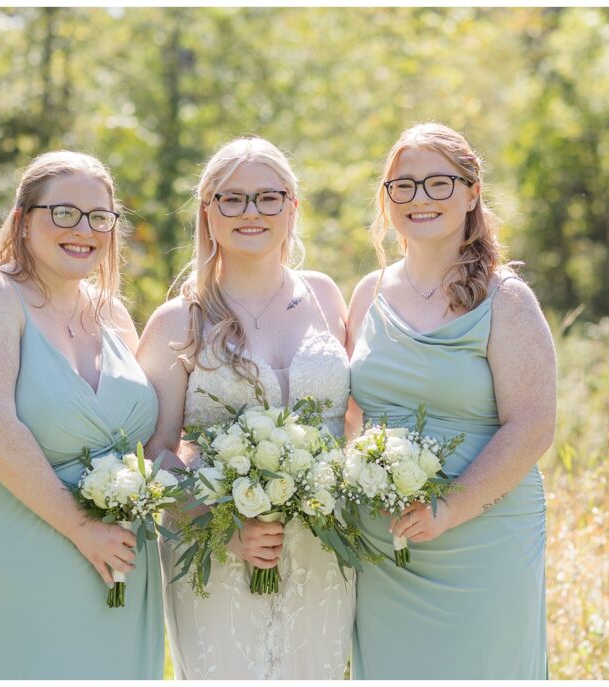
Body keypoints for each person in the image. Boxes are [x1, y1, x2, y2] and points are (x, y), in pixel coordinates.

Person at [0, 151, 161, 679]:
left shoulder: (110, 310)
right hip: (18, 548)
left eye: (99, 217)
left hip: (120, 558)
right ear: (22, 220)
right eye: (64, 213)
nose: (84, 229)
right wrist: (82, 528)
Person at [137, 136, 355, 679]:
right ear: (208, 212)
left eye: (267, 197)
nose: (250, 211)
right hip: (214, 553)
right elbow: (153, 452)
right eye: (231, 199)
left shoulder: (327, 297)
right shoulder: (177, 321)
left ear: (293, 207)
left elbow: (355, 421)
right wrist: (222, 528)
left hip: (323, 551)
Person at [347, 122, 556, 679]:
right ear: (387, 199)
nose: (420, 199)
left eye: (439, 183)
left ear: (471, 192)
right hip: (386, 542)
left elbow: (532, 424)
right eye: (404, 186)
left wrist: (450, 506)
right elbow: (350, 414)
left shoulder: (505, 298)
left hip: (482, 539)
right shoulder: (367, 293)